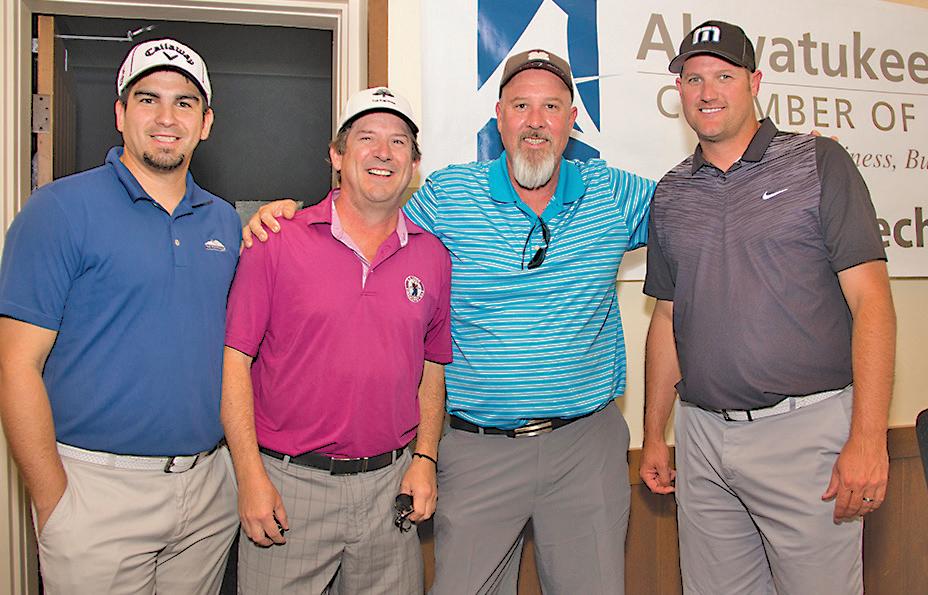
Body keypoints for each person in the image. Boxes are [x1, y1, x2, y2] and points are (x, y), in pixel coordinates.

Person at [246, 50, 655, 594]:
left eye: (551, 107)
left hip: (587, 447)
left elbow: (699, 214)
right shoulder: (448, 195)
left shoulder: (615, 194)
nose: (535, 122)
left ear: (572, 120)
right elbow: (368, 223)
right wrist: (291, 218)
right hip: (476, 448)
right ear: (499, 117)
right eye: (521, 106)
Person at [639, 20, 895, 595]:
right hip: (703, 440)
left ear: (754, 83)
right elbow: (668, 319)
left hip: (806, 436)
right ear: (679, 90)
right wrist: (655, 432)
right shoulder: (671, 192)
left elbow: (873, 302)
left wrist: (869, 437)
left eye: (724, 76)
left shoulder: (818, 161)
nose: (707, 91)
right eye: (693, 78)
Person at [0, 39, 241, 593]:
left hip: (207, 492)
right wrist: (54, 501)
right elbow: (16, 366)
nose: (166, 118)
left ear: (205, 123)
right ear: (120, 113)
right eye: (147, 99)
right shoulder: (58, 210)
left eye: (184, 103)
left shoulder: (224, 223)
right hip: (96, 494)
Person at [222, 86, 452, 595]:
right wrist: (250, 477)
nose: (383, 153)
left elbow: (432, 369)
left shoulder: (433, 257)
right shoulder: (276, 240)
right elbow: (235, 362)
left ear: (414, 164)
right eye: (366, 137)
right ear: (337, 155)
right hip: (290, 488)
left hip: (390, 489)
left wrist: (425, 458)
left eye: (398, 142)